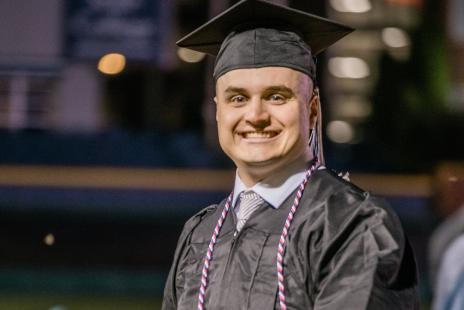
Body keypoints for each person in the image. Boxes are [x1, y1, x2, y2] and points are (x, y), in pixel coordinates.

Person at [162, 0, 419, 309]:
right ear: (218, 112)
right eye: (238, 98)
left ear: (311, 111)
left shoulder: (352, 226)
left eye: (276, 96)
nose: (255, 115)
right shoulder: (199, 236)